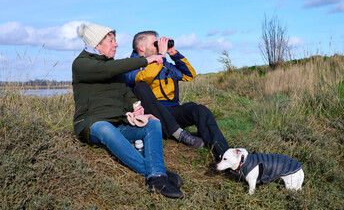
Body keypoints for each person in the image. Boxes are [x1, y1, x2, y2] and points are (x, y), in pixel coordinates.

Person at [72, 24, 183, 199]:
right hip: (91, 124)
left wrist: (135, 106)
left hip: (119, 122)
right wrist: (149, 59)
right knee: (104, 128)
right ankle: (159, 173)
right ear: (97, 44)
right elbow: (108, 70)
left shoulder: (112, 65)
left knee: (152, 123)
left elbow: (126, 92)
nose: (116, 45)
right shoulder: (82, 64)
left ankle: (157, 178)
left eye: (115, 40)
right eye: (111, 41)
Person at [126, 31, 229, 161]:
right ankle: (179, 134)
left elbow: (189, 75)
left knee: (198, 109)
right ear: (141, 47)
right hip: (153, 116)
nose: (159, 46)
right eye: (155, 43)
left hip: (173, 110)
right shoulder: (131, 65)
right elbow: (143, 78)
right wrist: (161, 55)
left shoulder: (164, 64)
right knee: (140, 87)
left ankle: (225, 154)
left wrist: (173, 54)